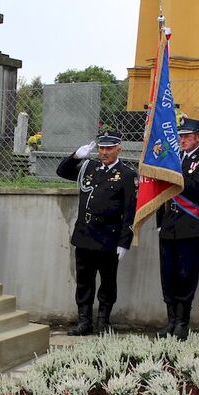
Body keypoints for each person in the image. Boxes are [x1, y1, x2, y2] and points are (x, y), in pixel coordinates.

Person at [57, 130, 138, 336]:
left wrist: (124, 241)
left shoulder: (127, 175)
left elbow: (130, 211)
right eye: (102, 148)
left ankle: (103, 321)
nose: (104, 152)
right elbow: (62, 171)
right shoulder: (88, 167)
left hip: (108, 237)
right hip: (85, 234)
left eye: (109, 148)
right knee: (84, 281)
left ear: (119, 149)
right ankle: (84, 321)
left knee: (108, 282)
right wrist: (76, 156)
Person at [154, 118, 199, 340]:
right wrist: (160, 223)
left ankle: (182, 321)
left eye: (187, 136)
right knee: (168, 274)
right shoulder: (173, 159)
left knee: (186, 274)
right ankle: (170, 320)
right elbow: (162, 194)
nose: (183, 140)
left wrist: (175, 175)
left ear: (198, 137)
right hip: (169, 225)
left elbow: (198, 188)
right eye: (180, 136)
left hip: (190, 226)